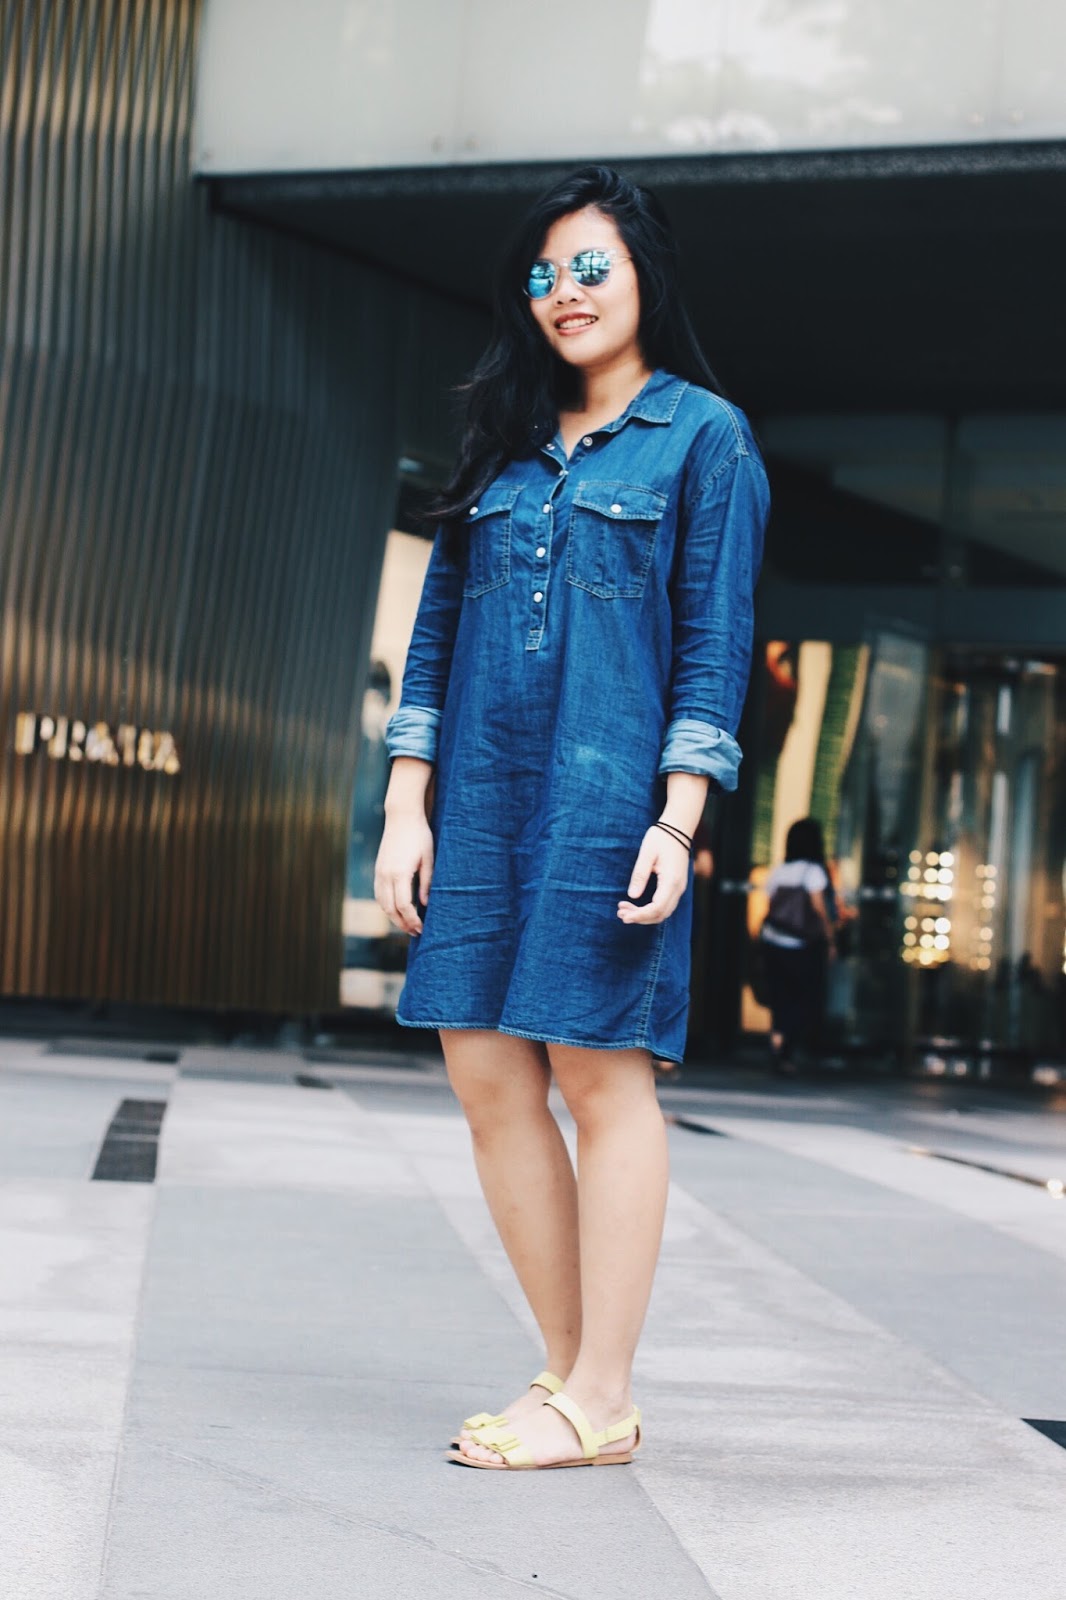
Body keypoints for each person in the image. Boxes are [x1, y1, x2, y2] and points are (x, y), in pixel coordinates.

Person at [374, 166, 769, 1471]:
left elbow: (713, 645)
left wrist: (678, 820)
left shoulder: (703, 437)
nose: (564, 294)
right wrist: (406, 804)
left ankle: (603, 1391)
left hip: (610, 805)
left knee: (601, 1076)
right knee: (485, 1072)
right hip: (481, 800)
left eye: (590, 267)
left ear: (646, 274)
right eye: (543, 276)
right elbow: (432, 640)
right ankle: (567, 1375)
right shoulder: (499, 438)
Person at [759, 817, 836, 1074]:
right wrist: (830, 938)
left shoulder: (779, 871)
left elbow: (770, 905)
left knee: (780, 995)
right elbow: (818, 908)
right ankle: (786, 1049)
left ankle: (777, 1040)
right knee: (801, 997)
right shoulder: (813, 872)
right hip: (800, 945)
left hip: (773, 940)